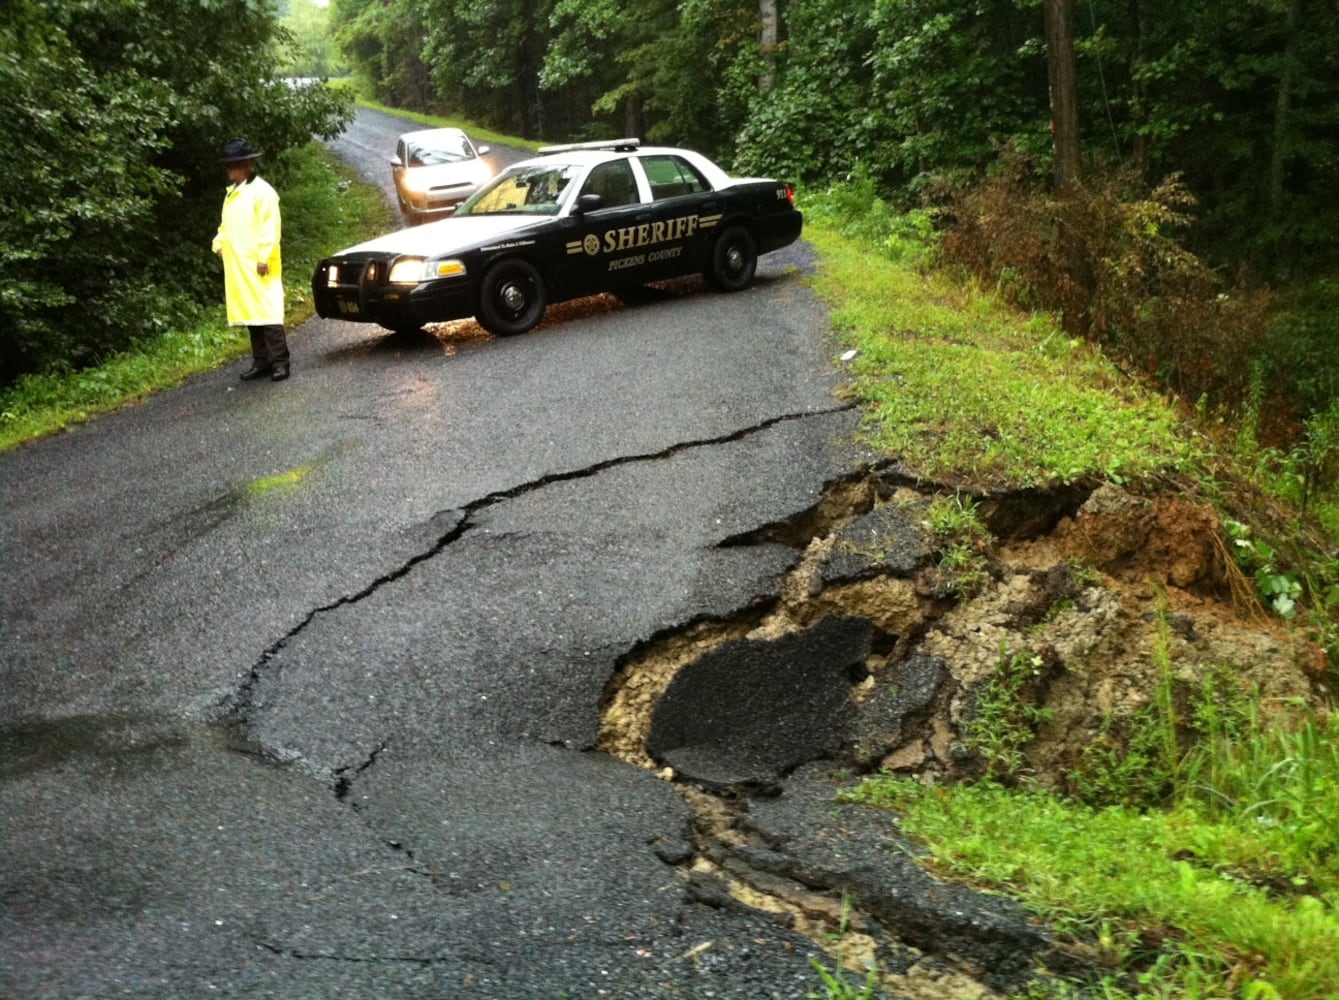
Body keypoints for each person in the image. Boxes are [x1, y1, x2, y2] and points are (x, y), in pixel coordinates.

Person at [212, 137, 290, 382]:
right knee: (251, 313)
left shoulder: (263, 192)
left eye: (233, 165)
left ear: (246, 165)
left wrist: (264, 256)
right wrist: (218, 242)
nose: (229, 170)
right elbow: (226, 226)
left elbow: (271, 226)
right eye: (228, 165)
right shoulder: (233, 193)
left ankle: (280, 362)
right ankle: (261, 361)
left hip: (259, 264)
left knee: (268, 311)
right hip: (239, 264)